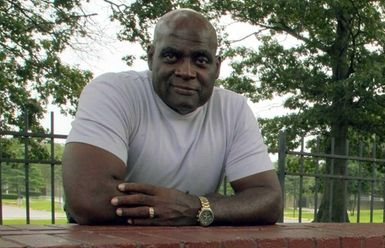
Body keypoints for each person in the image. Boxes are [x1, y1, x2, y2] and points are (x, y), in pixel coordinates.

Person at [63, 9, 282, 226]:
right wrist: (186, 209)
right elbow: (88, 198)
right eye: (171, 56)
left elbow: (269, 201)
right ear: (151, 57)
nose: (186, 71)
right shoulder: (113, 92)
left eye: (201, 60)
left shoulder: (233, 109)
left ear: (217, 67)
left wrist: (196, 208)